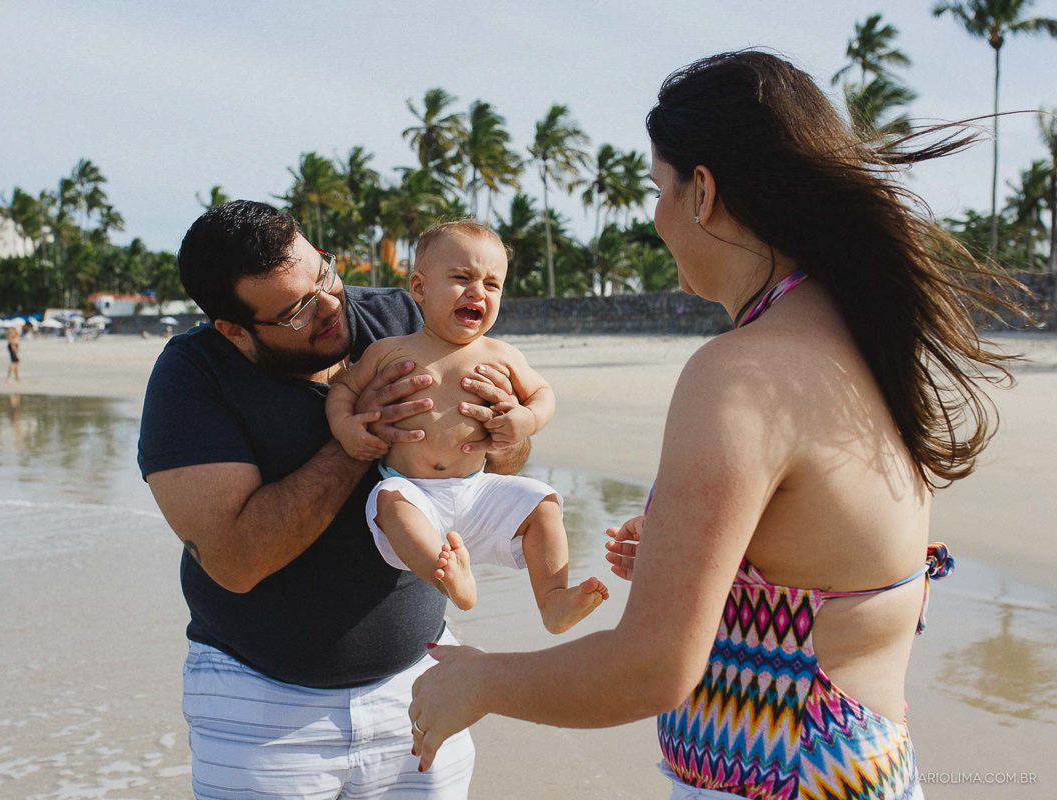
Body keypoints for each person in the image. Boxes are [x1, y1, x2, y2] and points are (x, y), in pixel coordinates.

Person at [408, 50, 1023, 800]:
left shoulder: (741, 371)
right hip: (868, 770)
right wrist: (692, 552)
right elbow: (832, 564)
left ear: (702, 192)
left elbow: (653, 669)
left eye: (658, 189)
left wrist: (479, 682)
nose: (656, 215)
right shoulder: (862, 333)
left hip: (781, 783)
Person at [137, 200, 536, 798]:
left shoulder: (407, 318)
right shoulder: (193, 378)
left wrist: (501, 431)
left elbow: (499, 462)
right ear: (235, 330)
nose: (330, 306)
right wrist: (357, 438)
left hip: (419, 683)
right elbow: (236, 561)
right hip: (261, 708)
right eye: (298, 310)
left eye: (322, 273)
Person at [326, 220, 608, 632]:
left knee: (542, 500)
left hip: (475, 489)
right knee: (388, 501)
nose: (478, 292)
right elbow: (342, 389)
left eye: (492, 285)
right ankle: (450, 581)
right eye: (461, 279)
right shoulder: (390, 351)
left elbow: (542, 394)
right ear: (419, 288)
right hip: (413, 488)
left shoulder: (502, 354)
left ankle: (552, 599)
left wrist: (525, 420)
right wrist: (347, 427)